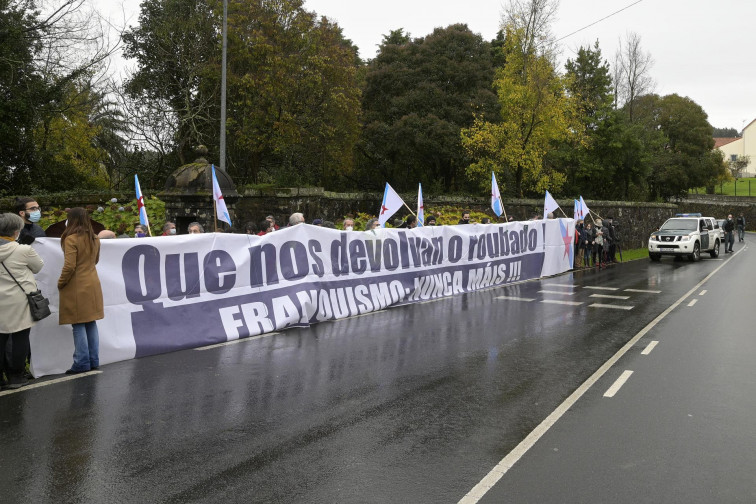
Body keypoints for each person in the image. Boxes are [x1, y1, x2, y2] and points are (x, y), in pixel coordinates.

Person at [0, 213, 44, 389]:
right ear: (16, 231)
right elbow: (39, 266)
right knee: (20, 337)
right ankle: (16, 376)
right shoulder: (23, 250)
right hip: (19, 300)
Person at [58, 208, 104, 374]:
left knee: (78, 324)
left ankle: (81, 362)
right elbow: (96, 260)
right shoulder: (95, 237)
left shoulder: (71, 239)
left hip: (77, 285)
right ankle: (93, 360)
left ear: (72, 220)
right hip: (93, 282)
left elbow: (70, 266)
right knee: (91, 322)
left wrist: (61, 282)